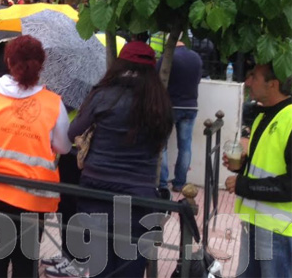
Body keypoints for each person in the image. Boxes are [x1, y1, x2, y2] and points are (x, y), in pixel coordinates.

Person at [0, 35, 70, 278]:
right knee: (26, 262)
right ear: (41, 65)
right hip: (35, 195)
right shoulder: (54, 103)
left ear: (8, 61)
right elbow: (64, 147)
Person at [66, 41, 173, 278]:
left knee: (100, 269)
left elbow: (73, 132)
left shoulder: (103, 95)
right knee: (129, 270)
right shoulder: (161, 103)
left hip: (97, 193)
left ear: (119, 64)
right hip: (139, 198)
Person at [225, 64, 291, 278]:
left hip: (279, 231)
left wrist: (244, 185)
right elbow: (269, 164)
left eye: (254, 76)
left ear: (273, 84)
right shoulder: (264, 115)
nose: (247, 82)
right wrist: (243, 167)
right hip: (256, 223)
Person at [158, 40, 202, 192]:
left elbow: (158, 79)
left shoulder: (168, 57)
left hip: (170, 105)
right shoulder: (196, 57)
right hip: (190, 106)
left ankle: (163, 183)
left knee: (162, 146)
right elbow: (198, 80)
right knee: (185, 147)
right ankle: (179, 183)